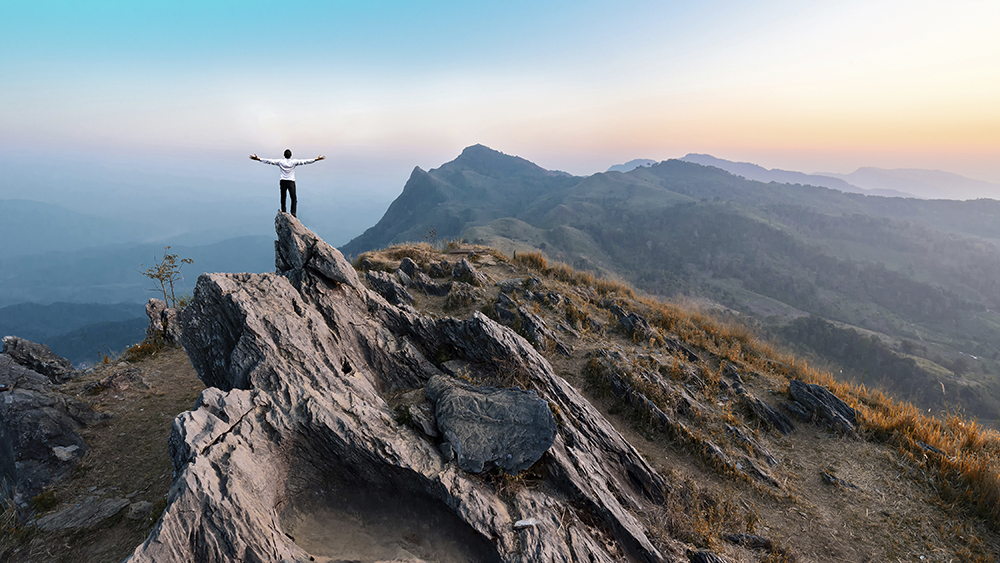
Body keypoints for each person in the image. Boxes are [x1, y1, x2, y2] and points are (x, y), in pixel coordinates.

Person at [250, 149, 325, 217]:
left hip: (283, 181)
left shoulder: (280, 161)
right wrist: (316, 159)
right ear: (291, 155)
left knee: (283, 196)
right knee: (293, 197)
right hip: (291, 181)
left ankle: (283, 210)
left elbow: (269, 161)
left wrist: (258, 159)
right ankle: (293, 212)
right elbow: (305, 161)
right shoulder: (294, 162)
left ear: (284, 155)